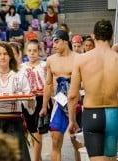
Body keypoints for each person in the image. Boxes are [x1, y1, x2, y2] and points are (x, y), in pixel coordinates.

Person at [68, 19, 118, 161]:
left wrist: (72, 120)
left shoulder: (81, 59)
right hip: (113, 114)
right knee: (111, 159)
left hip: (92, 113)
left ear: (93, 36)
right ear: (112, 36)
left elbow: (72, 95)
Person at [0, 42, 36, 161]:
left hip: (14, 122)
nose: (2, 57)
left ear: (10, 56)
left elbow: (30, 106)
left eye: (5, 54)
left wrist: (31, 100)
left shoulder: (20, 75)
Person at [39, 30, 80, 161]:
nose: (53, 45)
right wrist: (44, 107)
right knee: (55, 141)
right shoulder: (51, 60)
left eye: (56, 41)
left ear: (65, 41)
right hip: (59, 103)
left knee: (78, 143)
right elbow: (48, 84)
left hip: (76, 104)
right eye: (53, 42)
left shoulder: (78, 58)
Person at [21, 39, 46, 161]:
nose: (32, 53)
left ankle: (35, 159)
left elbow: (49, 84)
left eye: (35, 51)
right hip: (26, 101)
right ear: (26, 52)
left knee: (38, 132)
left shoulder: (44, 65)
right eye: (30, 50)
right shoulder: (22, 67)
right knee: (30, 133)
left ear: (39, 52)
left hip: (40, 100)